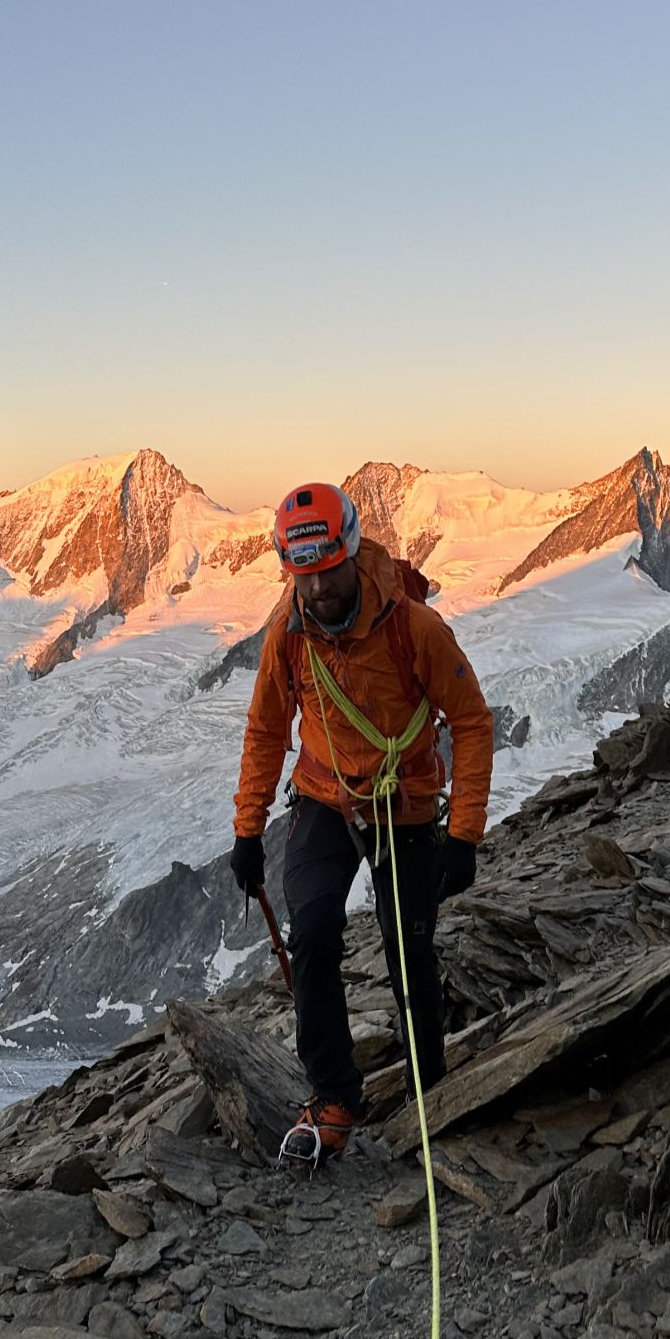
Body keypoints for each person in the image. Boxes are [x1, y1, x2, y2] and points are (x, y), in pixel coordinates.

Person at [229, 481, 494, 1163]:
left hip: (403, 804)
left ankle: (428, 1086)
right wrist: (247, 829)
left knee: (409, 950)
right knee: (313, 935)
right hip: (324, 798)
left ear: (350, 552)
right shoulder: (288, 633)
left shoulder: (414, 628)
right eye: (303, 575)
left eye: (326, 570)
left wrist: (462, 834)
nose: (317, 588)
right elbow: (266, 729)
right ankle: (333, 1097)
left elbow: (470, 721)